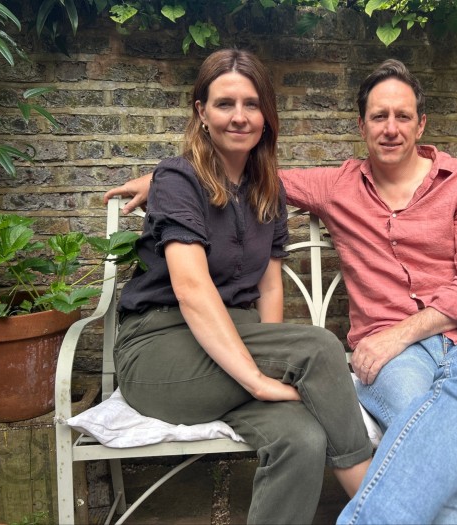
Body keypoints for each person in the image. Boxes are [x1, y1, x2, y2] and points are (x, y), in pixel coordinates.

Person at [106, 58, 457, 524]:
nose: (391, 128)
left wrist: (167, 178)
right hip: (185, 345)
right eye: (378, 117)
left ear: (421, 123)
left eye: (403, 116)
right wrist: (166, 178)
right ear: (362, 126)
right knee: (347, 367)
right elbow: (195, 263)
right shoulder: (336, 185)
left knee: (312, 440)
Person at [109, 48, 372, 525]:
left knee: (303, 439)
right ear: (201, 112)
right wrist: (258, 380)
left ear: (266, 115)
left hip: (231, 346)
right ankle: (383, 509)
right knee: (319, 347)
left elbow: (270, 289)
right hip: (160, 353)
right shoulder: (177, 179)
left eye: (251, 104)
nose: (239, 116)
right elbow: (190, 289)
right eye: (225, 103)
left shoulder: (267, 188)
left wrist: (265, 368)